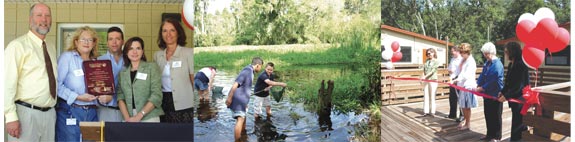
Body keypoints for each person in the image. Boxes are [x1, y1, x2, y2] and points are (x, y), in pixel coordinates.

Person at [5, 3, 57, 141]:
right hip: (26, 114)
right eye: (39, 15)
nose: (44, 19)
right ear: (30, 19)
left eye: (47, 15)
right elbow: (6, 83)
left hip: (50, 114)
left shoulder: (51, 48)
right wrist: (10, 117)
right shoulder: (17, 46)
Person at [56, 26, 100, 141]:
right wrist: (77, 97)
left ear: (94, 43)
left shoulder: (96, 62)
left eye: (90, 40)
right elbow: (56, 85)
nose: (86, 42)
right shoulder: (67, 58)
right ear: (76, 42)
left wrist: (103, 95)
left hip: (91, 112)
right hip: (70, 111)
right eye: (83, 39)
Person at [153, 18, 195, 123]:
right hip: (163, 103)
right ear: (161, 34)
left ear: (178, 33)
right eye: (165, 31)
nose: (168, 34)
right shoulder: (157, 56)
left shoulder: (188, 53)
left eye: (172, 30)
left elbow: (193, 80)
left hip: (184, 104)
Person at [117, 37, 164, 122]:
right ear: (126, 52)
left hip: (149, 116)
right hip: (128, 118)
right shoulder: (122, 73)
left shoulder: (152, 68)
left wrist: (139, 115)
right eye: (131, 48)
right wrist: (127, 118)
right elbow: (120, 97)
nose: (134, 52)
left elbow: (156, 95)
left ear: (142, 52)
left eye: (138, 48)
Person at [226, 57, 264, 141]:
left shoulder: (250, 71)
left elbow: (245, 88)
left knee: (243, 117)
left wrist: (246, 103)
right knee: (240, 119)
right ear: (258, 65)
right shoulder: (247, 71)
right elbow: (236, 83)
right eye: (261, 66)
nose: (261, 69)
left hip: (242, 101)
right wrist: (229, 97)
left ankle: (243, 135)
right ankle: (237, 140)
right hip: (238, 99)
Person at [498, 41, 529, 141]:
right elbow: (508, 83)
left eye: (507, 52)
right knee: (517, 120)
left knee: (517, 122)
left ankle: (516, 139)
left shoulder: (520, 65)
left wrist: (506, 96)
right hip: (514, 98)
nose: (505, 54)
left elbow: (519, 87)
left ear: (512, 52)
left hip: (520, 99)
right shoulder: (512, 64)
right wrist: (502, 92)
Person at [477, 42, 504, 142]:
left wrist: (482, 88)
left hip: (496, 93)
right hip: (487, 94)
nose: (484, 55)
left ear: (491, 53)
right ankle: (489, 134)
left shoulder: (497, 64)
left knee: (496, 115)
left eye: (486, 54)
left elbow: (493, 80)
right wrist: (478, 84)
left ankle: (497, 136)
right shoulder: (487, 63)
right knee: (488, 114)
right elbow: (483, 75)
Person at [96, 27, 125, 122]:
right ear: (107, 42)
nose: (114, 42)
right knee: (105, 136)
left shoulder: (130, 60)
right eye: (111, 39)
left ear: (123, 41)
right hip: (105, 111)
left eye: (117, 39)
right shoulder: (99, 61)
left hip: (126, 111)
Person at [452, 43, 478, 131]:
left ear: (467, 52)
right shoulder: (463, 60)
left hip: (468, 85)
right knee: (463, 105)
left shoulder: (471, 61)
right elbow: (457, 71)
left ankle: (468, 123)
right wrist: (453, 77)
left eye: (462, 52)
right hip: (462, 85)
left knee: (467, 106)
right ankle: (465, 122)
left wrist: (457, 79)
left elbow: (467, 74)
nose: (461, 54)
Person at [447, 46, 464, 122]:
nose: (452, 52)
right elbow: (449, 68)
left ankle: (462, 115)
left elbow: (461, 71)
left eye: (453, 51)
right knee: (452, 97)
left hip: (459, 80)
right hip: (452, 79)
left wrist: (456, 77)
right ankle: (452, 114)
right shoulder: (452, 59)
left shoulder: (462, 59)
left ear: (457, 51)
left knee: (460, 98)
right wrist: (450, 72)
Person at [422, 48, 439, 117]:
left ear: (434, 53)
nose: (429, 54)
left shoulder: (436, 61)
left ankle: (432, 112)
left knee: (432, 96)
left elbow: (433, 71)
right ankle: (426, 111)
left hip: (433, 80)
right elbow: (424, 70)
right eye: (428, 53)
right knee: (426, 95)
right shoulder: (426, 61)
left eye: (431, 53)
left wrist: (425, 76)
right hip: (426, 80)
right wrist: (422, 76)